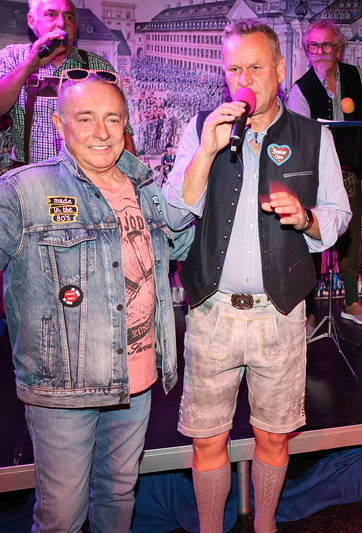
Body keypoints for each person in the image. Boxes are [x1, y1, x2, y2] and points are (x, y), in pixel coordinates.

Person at [163, 19, 350, 532]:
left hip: (279, 312)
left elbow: (338, 215)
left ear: (280, 69)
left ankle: (265, 524)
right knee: (207, 441)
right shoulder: (202, 128)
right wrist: (206, 150)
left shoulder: (313, 136)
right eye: (233, 69)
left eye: (255, 67)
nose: (243, 79)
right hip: (213, 310)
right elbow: (173, 215)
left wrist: (306, 219)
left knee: (273, 436)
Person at [0, 74, 190, 531]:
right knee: (62, 516)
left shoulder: (146, 187)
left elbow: (182, 247)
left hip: (136, 379)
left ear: (126, 123)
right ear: (60, 124)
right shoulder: (23, 191)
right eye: (85, 119)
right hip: (64, 388)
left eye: (112, 119)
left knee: (118, 496)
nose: (102, 132)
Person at [286, 20, 362, 326]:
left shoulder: (356, 77)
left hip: (349, 175)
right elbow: (297, 136)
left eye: (326, 44)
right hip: (313, 180)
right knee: (311, 241)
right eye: (313, 46)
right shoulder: (300, 90)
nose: (320, 51)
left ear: (338, 48)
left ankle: (351, 303)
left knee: (351, 239)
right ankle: (308, 312)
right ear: (307, 51)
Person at [0, 0, 135, 166]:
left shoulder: (99, 67)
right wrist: (29, 66)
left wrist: (130, 177)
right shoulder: (13, 58)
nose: (61, 23)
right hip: (30, 174)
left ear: (76, 28)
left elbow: (123, 131)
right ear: (32, 21)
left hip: (85, 175)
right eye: (51, 15)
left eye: (68, 17)